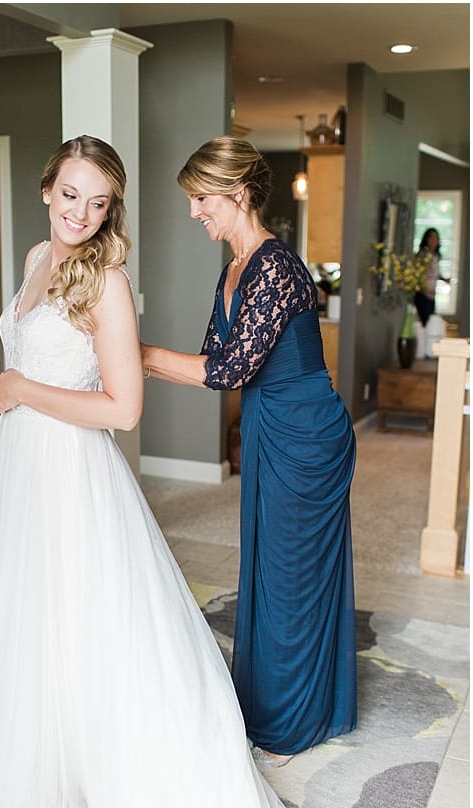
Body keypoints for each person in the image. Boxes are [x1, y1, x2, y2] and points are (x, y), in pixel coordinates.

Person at [0, 135, 331, 808]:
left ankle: (201, 740)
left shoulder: (108, 281)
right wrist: (26, 388)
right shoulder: (33, 261)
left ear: (111, 212)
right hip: (21, 466)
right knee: (30, 611)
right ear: (46, 191)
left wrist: (23, 387)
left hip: (73, 467)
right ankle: (46, 750)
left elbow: (125, 408)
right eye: (70, 194)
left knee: (99, 616)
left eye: (98, 202)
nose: (80, 213)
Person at [141, 137, 357, 770]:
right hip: (268, 427)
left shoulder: (277, 268)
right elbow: (214, 359)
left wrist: (137, 353)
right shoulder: (234, 267)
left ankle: (292, 725)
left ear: (236, 193)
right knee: (266, 571)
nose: (193, 212)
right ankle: (271, 706)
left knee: (291, 580)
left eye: (200, 199)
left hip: (305, 434)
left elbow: (229, 370)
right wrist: (141, 359)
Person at [414, 227, 442, 326]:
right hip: (423, 293)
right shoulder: (422, 255)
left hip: (432, 294)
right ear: (426, 239)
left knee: (430, 322)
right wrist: (425, 289)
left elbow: (435, 273)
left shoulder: (436, 256)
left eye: (436, 238)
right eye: (431, 237)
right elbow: (418, 274)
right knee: (423, 322)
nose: (434, 240)